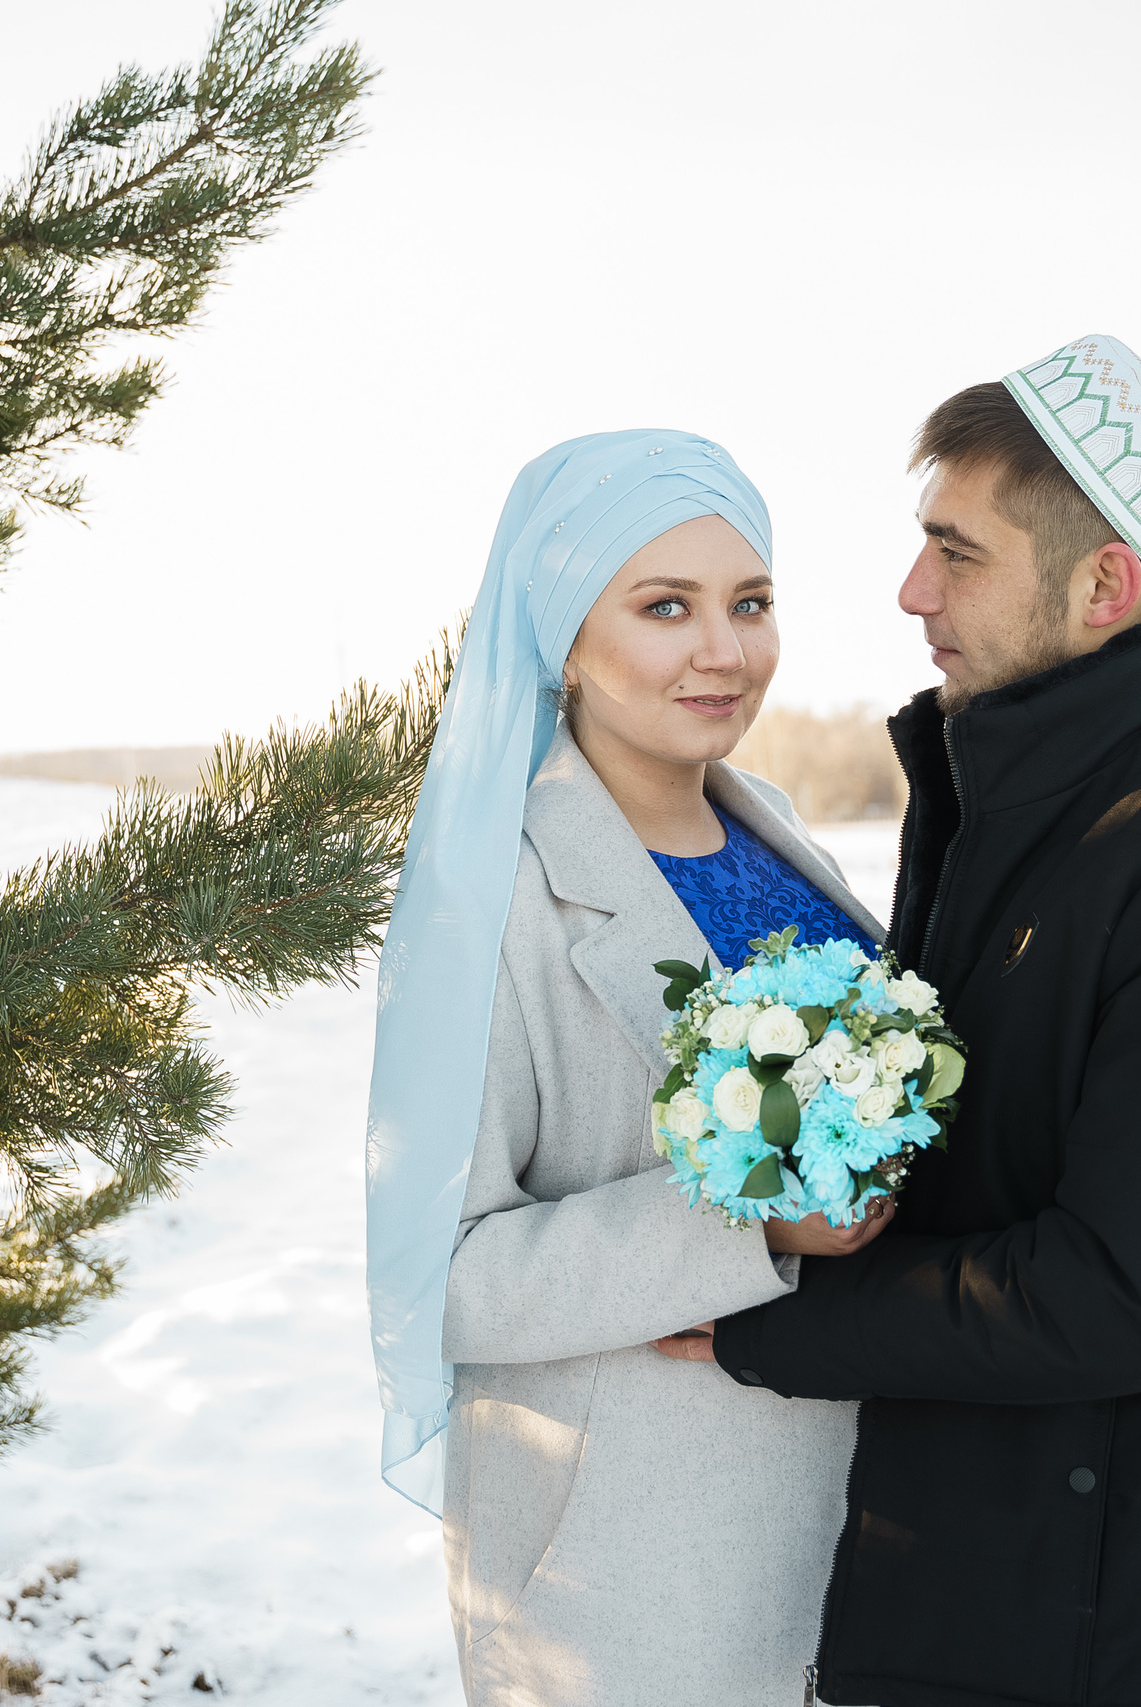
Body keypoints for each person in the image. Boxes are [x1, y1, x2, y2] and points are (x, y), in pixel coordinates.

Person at [656, 336, 1141, 1707]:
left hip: (1136, 1632)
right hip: (978, 1589)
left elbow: (1135, 1295)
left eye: (960, 553)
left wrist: (784, 1314)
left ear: (1105, 583)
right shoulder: (997, 806)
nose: (910, 589)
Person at [363, 430, 901, 1706]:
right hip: (630, 1563)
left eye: (750, 603)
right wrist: (744, 1219)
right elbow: (441, 1282)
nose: (724, 650)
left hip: (860, 1518)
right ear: (561, 635)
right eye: (666, 607)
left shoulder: (780, 841)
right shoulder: (489, 896)